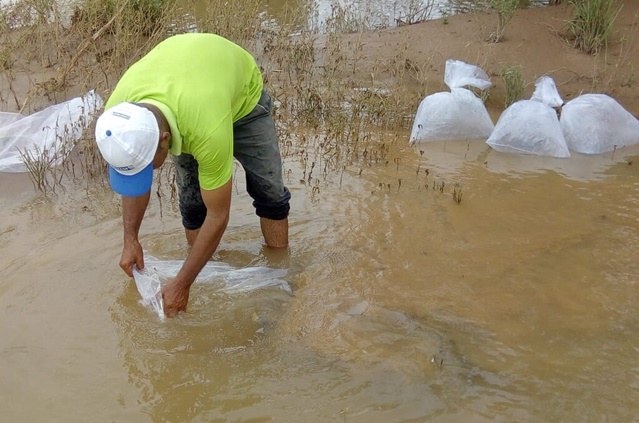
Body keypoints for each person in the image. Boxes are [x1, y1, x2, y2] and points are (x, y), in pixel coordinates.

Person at [94, 33, 291, 317]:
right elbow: (135, 180)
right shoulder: (117, 119)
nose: (148, 172)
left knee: (269, 192)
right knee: (191, 204)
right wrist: (130, 238)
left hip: (241, 99)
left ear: (164, 139)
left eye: (148, 164)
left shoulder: (205, 129)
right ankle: (210, 268)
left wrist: (182, 284)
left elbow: (219, 214)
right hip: (187, 93)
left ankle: (279, 272)